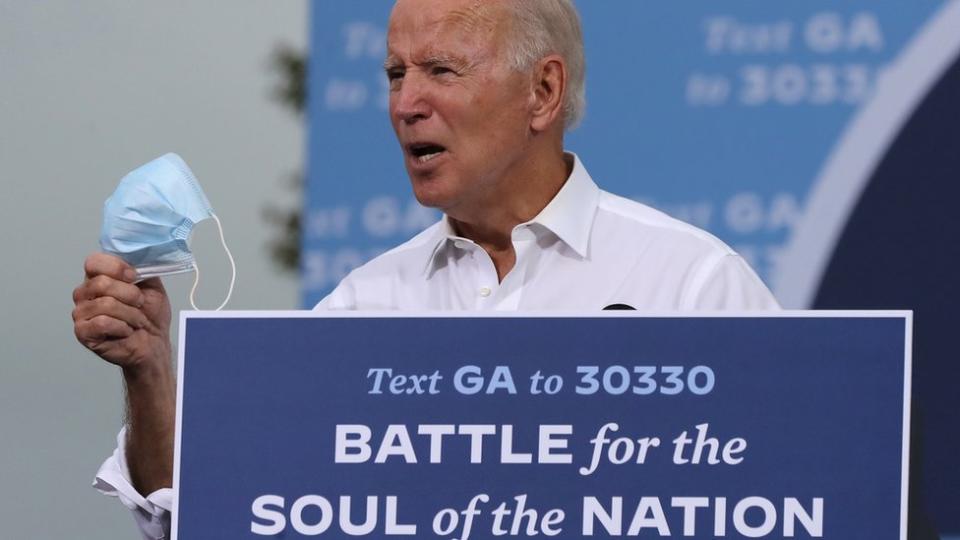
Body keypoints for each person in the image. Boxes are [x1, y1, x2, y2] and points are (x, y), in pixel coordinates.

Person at [72, 0, 777, 537]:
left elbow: (782, 503)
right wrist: (151, 371)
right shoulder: (362, 306)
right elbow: (205, 519)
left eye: (441, 70)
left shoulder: (690, 283)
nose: (406, 104)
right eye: (394, 74)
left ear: (543, 91)